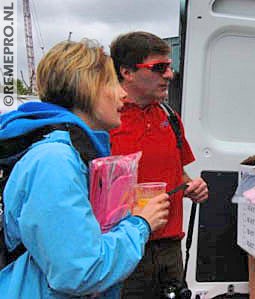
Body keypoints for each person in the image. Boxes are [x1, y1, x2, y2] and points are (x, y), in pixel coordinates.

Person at [0, 39, 170, 298]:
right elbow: (79, 272)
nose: (122, 94)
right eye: (112, 83)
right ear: (89, 87)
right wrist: (141, 224)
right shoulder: (55, 161)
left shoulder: (66, 151)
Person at [109, 31, 208, 298]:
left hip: (170, 250)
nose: (169, 75)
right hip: (124, 249)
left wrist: (191, 186)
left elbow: (180, 172)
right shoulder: (105, 120)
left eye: (169, 67)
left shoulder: (170, 117)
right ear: (127, 72)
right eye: (159, 68)